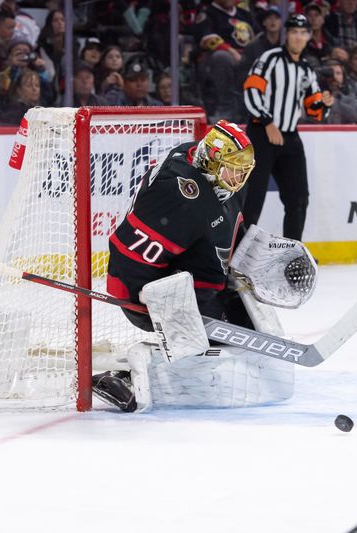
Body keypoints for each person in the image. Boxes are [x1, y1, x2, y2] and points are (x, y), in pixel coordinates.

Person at [98, 120, 302, 411]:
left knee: (244, 320)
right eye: (233, 168)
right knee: (217, 340)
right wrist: (141, 299)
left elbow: (228, 233)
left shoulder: (208, 174)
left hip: (186, 280)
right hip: (148, 294)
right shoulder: (179, 194)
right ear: (211, 161)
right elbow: (126, 251)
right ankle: (128, 376)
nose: (240, 177)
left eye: (244, 169)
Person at [242, 14, 333, 240]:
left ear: (309, 37)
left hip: (290, 137)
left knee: (299, 198)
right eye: (294, 32)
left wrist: (325, 103)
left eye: (303, 32)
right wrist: (267, 122)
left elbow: (315, 111)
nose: (299, 37)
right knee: (253, 198)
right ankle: (236, 253)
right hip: (262, 134)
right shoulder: (269, 59)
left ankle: (292, 252)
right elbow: (251, 90)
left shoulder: (306, 70)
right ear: (287, 35)